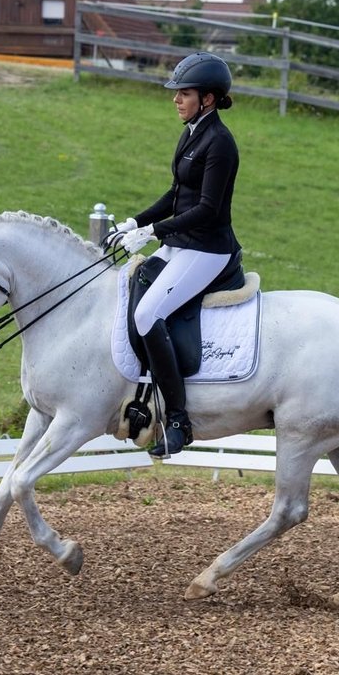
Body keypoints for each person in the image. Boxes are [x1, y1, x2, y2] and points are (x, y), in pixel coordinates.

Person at [106, 52, 242, 457]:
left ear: (209, 99)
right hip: (182, 242)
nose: (176, 100)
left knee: (149, 314)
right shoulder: (191, 132)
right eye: (176, 93)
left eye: (184, 93)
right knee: (128, 287)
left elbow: (207, 209)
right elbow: (176, 195)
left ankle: (180, 420)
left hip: (206, 248)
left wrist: (152, 232)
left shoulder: (220, 143)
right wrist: (135, 222)